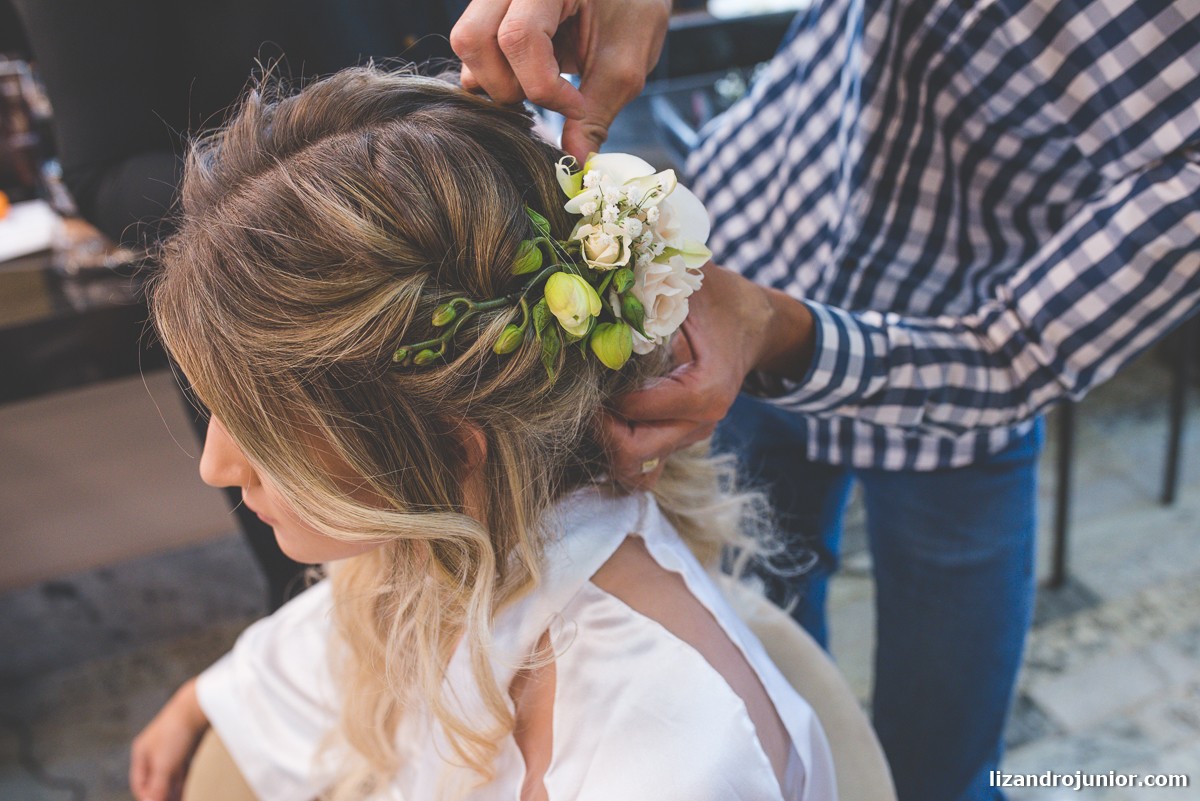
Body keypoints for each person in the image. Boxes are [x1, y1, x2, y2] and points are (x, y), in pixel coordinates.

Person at [448, 1, 1200, 799]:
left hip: (950, 394)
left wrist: (773, 327)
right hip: (741, 255)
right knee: (756, 658)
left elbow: (1014, 351)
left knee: (947, 765)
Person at [127, 67, 839, 801]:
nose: (216, 463)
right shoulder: (449, 548)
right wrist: (205, 695)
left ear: (451, 441)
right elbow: (324, 639)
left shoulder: (670, 761)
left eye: (258, 421)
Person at [11, 0, 467, 609]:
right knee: (345, 606)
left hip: (474, 272)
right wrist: (329, 212)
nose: (213, 467)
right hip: (275, 330)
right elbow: (104, 171)